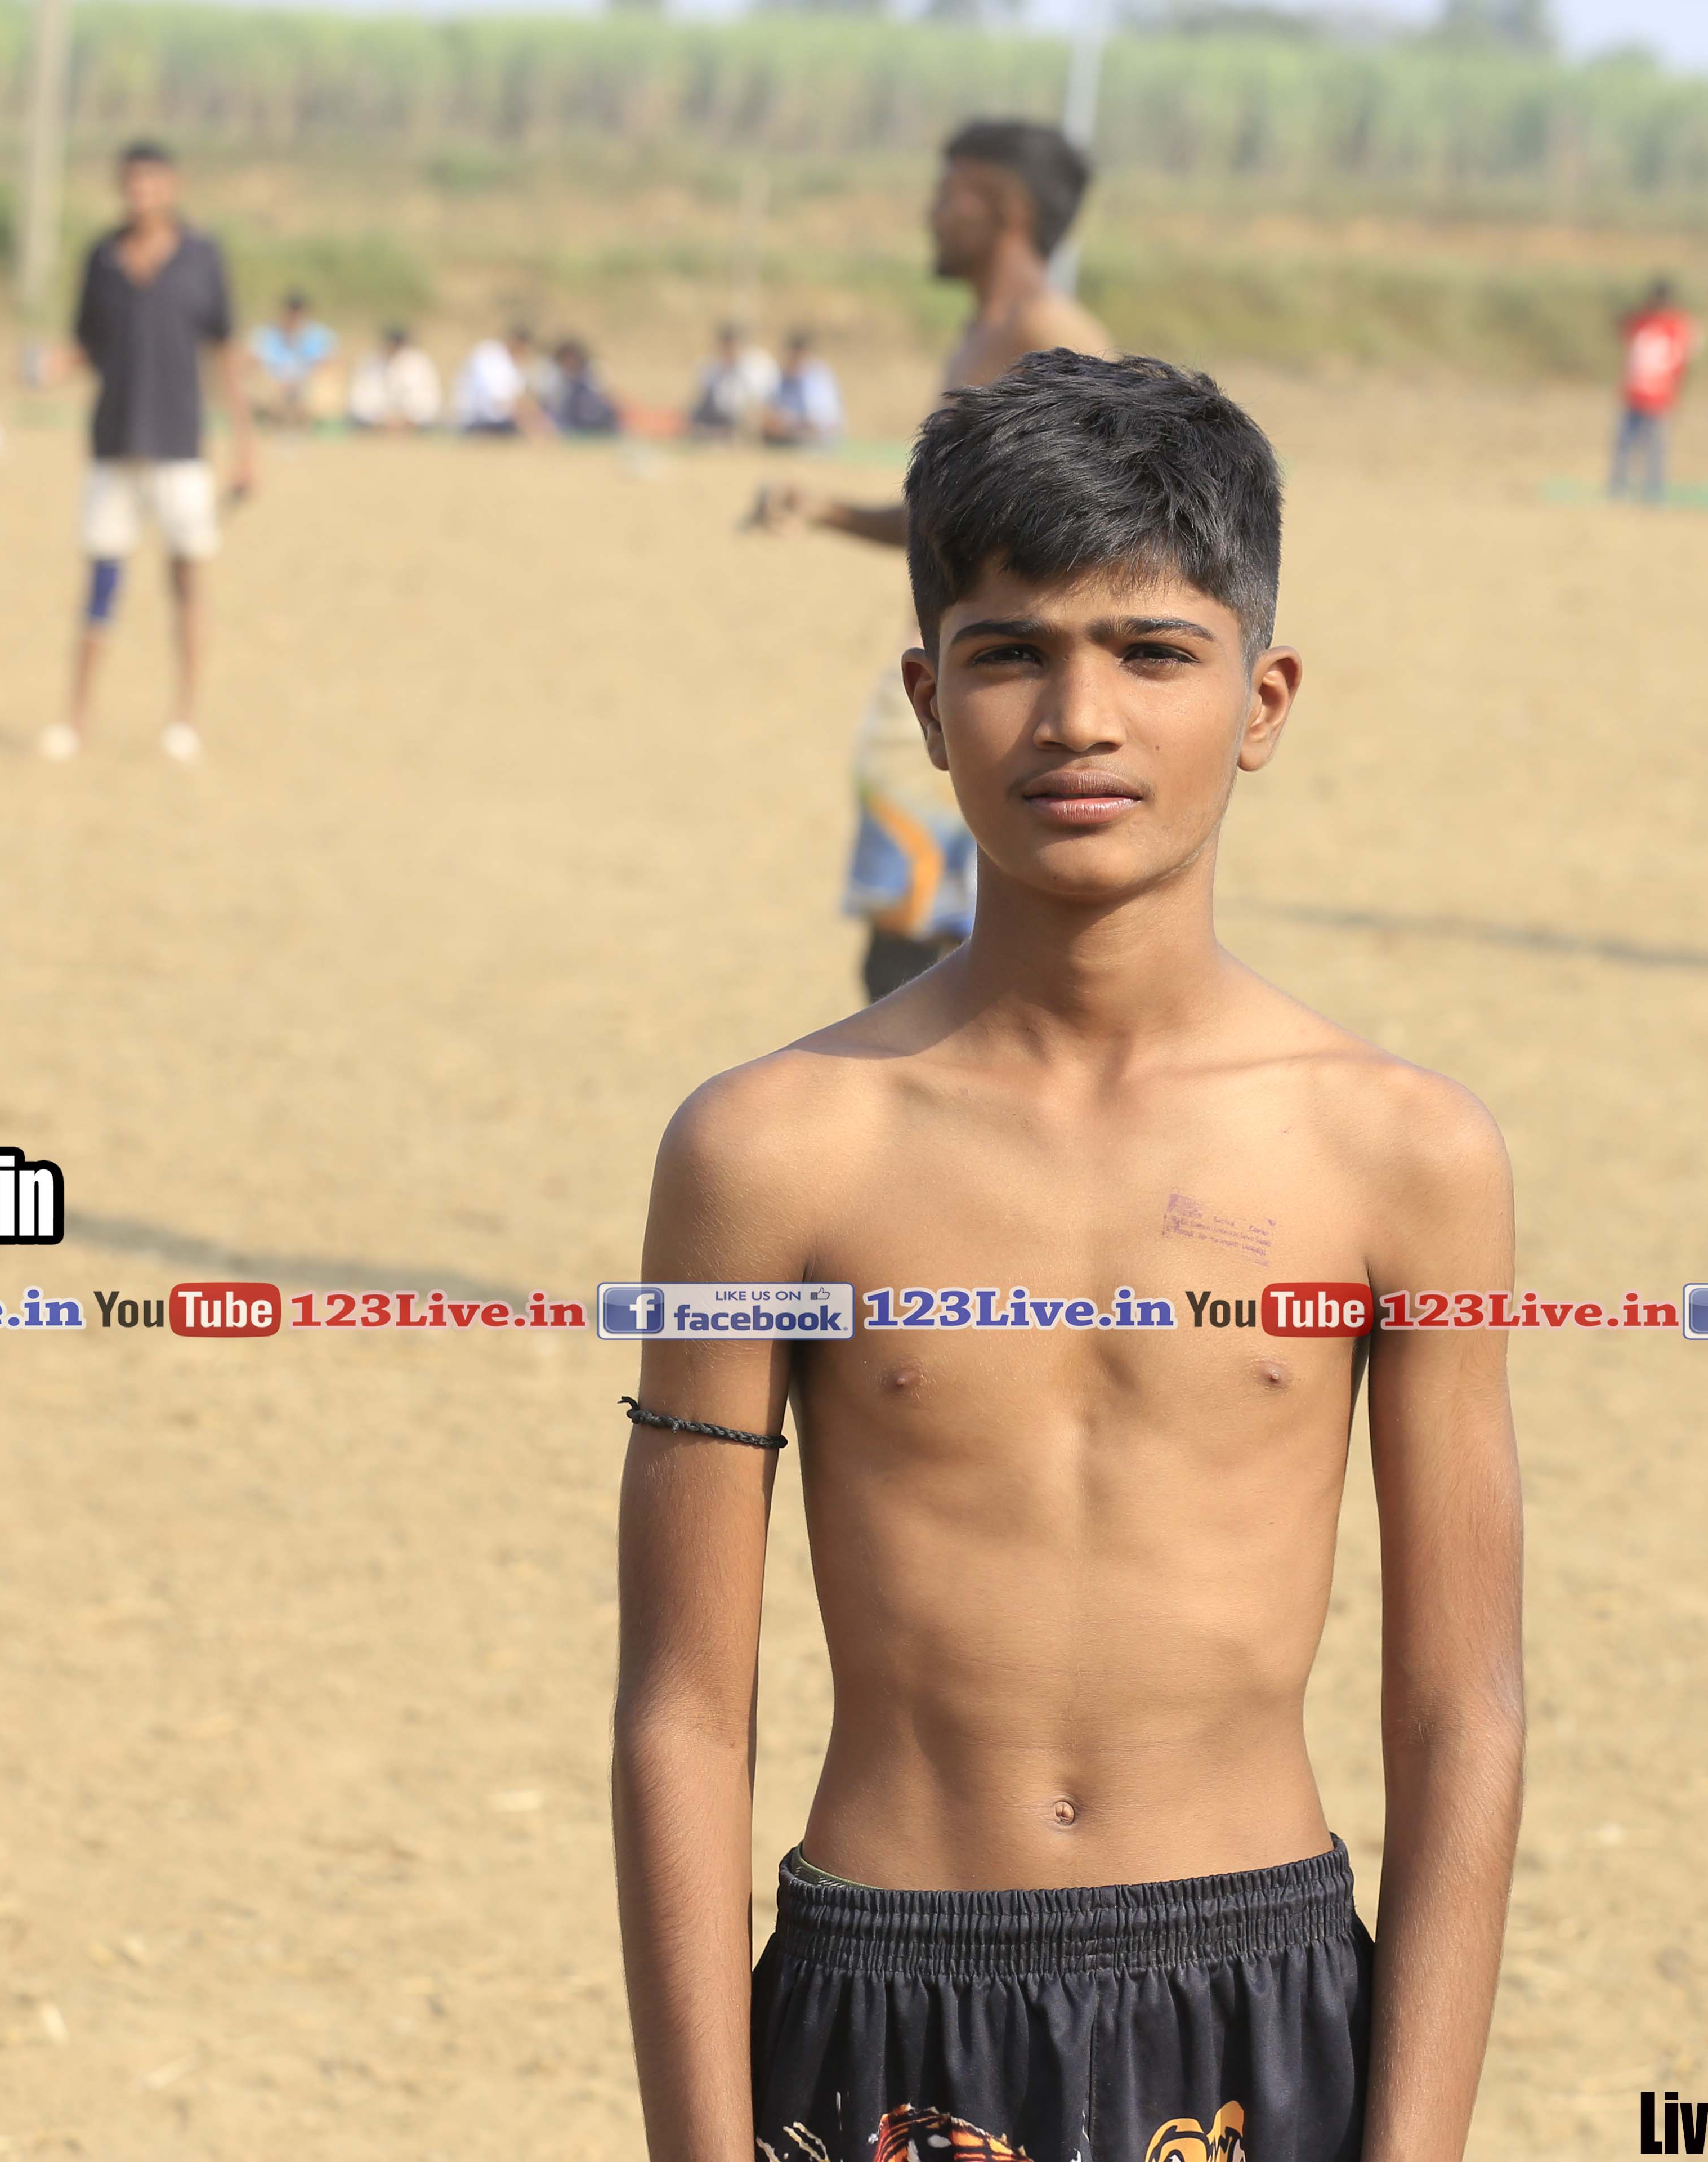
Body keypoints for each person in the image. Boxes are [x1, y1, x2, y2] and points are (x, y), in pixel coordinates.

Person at [616, 349, 1525, 2162]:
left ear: (1263, 699)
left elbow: (1462, 1708)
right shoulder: (766, 1155)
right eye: (1012, 652)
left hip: (1258, 1999)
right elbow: (682, 1712)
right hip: (882, 1995)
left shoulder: (1402, 1158)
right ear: (927, 697)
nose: (1080, 717)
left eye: (1153, 652)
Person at [748, 119, 1115, 1002]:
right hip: (952, 666)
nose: (931, 215)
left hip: (999, 675)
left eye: (949, 195)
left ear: (1005, 211)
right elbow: (944, 520)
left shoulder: (1050, 331)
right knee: (924, 941)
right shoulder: (981, 336)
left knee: (926, 949)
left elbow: (1109, 513)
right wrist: (828, 511)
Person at [41, 141, 253, 765]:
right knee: (102, 580)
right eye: (132, 182)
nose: (142, 193)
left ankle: (184, 718)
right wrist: (59, 364)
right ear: (121, 187)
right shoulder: (102, 259)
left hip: (181, 445)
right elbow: (88, 342)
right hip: (113, 442)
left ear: (174, 186)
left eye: (153, 182)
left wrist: (245, 445)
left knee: (187, 578)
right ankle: (77, 719)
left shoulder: (202, 257)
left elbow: (224, 353)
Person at [1606, 277, 1689, 502]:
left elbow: (1681, 361)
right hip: (1636, 392)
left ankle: (1654, 489)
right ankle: (1619, 485)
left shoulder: (1675, 325)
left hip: (1659, 395)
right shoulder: (1641, 321)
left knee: (1655, 446)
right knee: (1625, 442)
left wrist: (1676, 392)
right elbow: (1619, 325)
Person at [245, 288, 336, 426]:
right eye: (291, 312)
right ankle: (279, 416)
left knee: (324, 384)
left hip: (306, 387)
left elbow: (330, 364)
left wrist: (300, 382)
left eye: (298, 313)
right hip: (275, 386)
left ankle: (299, 418)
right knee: (262, 383)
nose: (294, 317)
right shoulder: (267, 335)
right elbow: (252, 361)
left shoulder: (318, 336)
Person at [686, 320, 781, 440]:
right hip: (720, 417)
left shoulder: (757, 365)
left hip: (749, 416)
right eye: (726, 346)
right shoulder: (713, 367)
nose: (729, 351)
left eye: (732, 346)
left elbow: (762, 400)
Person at [453, 324, 552, 438]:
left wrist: (541, 422)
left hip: (496, 421)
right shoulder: (490, 353)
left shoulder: (512, 366)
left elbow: (519, 400)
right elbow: (500, 401)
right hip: (477, 420)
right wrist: (532, 425)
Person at [346, 323, 442, 432]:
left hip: (415, 423)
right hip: (374, 423)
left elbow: (429, 398)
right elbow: (360, 398)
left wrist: (409, 418)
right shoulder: (370, 362)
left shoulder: (420, 363)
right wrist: (380, 419)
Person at [762, 328, 844, 448]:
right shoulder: (784, 378)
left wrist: (792, 424)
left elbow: (824, 422)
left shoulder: (818, 378)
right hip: (788, 438)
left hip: (817, 441)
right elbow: (769, 413)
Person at [547, 335, 621, 437]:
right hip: (570, 418)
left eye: (572, 358)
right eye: (566, 358)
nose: (570, 361)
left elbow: (604, 396)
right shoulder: (556, 375)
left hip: (594, 414)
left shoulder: (592, 370)